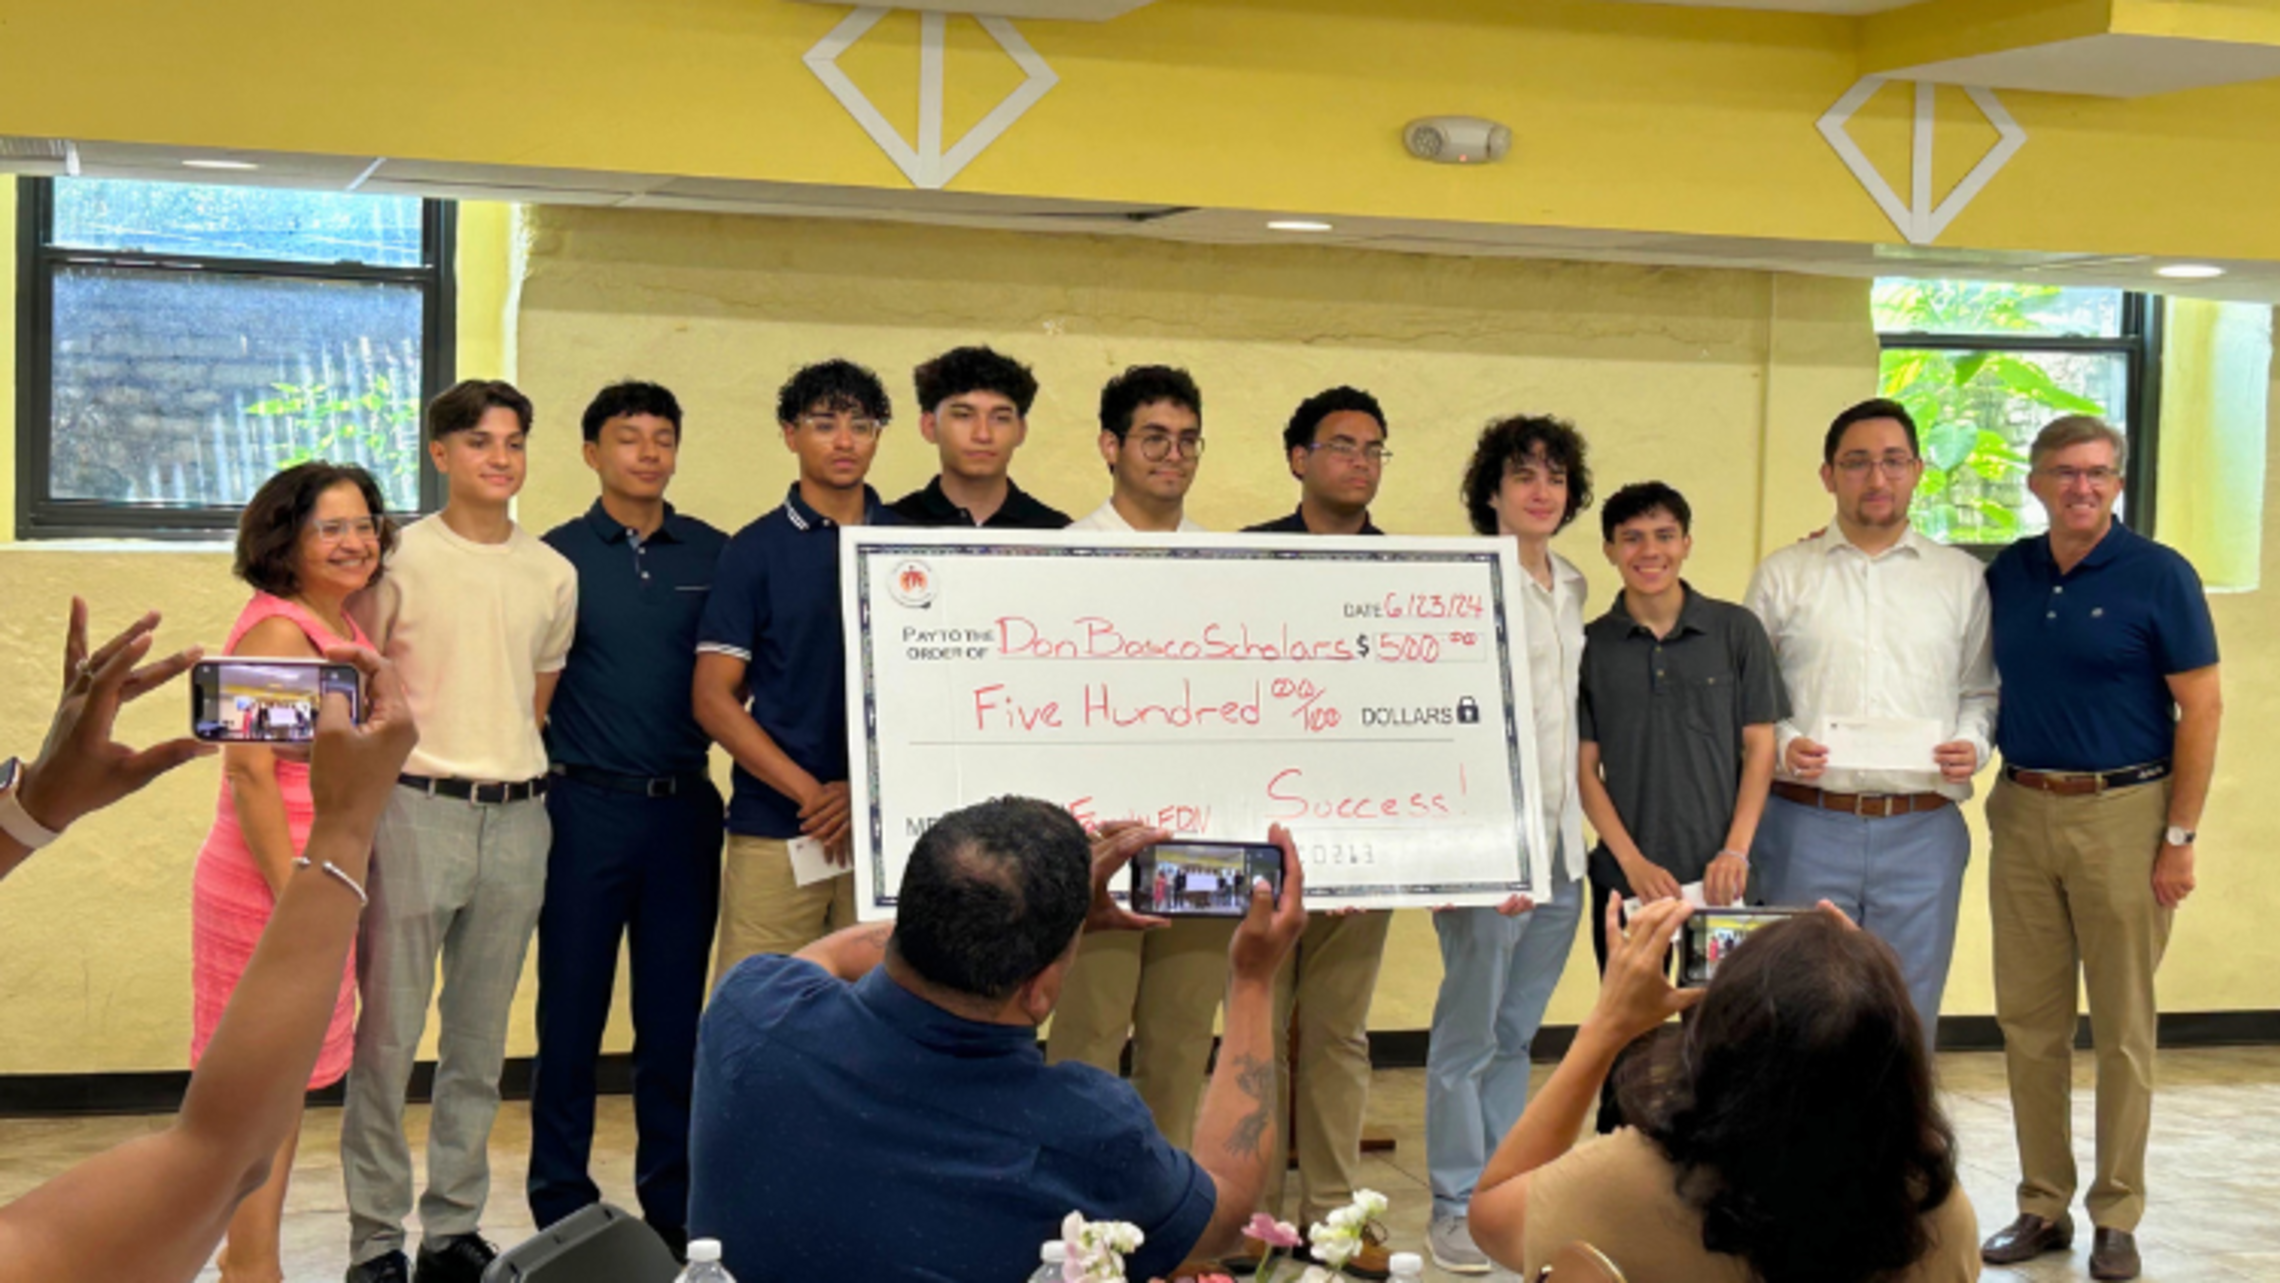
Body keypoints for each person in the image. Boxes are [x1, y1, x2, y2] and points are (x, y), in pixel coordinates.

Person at [686, 800, 1309, 1283]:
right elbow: (1225, 1212)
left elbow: (831, 953)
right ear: (1038, 992)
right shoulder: (1085, 1129)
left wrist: (1041, 930)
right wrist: (1252, 982)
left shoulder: (751, 1009)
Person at [0, 602, 418, 1283]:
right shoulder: (275, 625)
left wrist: (32, 810)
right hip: (285, 880)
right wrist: (346, 826)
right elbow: (222, 1157)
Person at [344, 380, 579, 1283]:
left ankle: (452, 1228)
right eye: (480, 441)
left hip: (521, 817)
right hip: (415, 809)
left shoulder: (551, 571)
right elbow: (361, 688)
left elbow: (535, 700)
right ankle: (374, 1238)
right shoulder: (398, 559)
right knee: (389, 1037)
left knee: (479, 1043)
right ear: (440, 453)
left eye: (515, 441)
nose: (501, 458)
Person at [1977, 416, 2221, 1282]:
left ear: (2118, 484)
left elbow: (2204, 708)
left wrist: (2179, 838)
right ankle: (2041, 1202)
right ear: (2036, 481)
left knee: (2122, 1027)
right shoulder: (2009, 571)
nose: (2083, 487)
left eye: (2100, 474)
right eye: (2066, 473)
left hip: (2128, 813)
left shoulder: (2160, 576)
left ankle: (2117, 1214)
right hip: (2022, 807)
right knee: (2029, 1023)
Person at [1465, 899, 1981, 1282]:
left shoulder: (1612, 1184)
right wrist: (1854, 987)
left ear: (1716, 1044)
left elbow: (1490, 1213)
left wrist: (1606, 1027)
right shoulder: (1938, 1218)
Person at [527, 382, 730, 1257]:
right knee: (569, 1012)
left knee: (673, 1020)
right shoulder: (552, 559)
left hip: (684, 810)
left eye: (662, 438)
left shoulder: (719, 555)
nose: (647, 453)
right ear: (591, 452)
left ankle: (675, 1200)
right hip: (581, 807)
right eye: (627, 438)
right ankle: (560, 1196)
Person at [1743, 398, 1997, 1050]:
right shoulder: (1782, 575)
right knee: (1796, 1016)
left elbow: (1980, 690)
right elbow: (1750, 699)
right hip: (1802, 827)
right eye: (1857, 462)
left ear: (1917, 470)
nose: (1876, 478)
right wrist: (1787, 739)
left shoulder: (1962, 579)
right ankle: (1795, 1154)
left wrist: (1972, 743)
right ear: (1828, 475)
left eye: (1891, 461)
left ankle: (1895, 1155)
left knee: (1906, 1018)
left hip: (1922, 831)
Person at [195, 462, 394, 1283]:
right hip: (269, 887)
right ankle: (253, 1270)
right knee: (256, 1099)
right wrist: (296, 900)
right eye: (331, 528)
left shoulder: (332, 619)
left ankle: (254, 1263)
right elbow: (248, 775)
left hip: (317, 881)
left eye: (364, 524)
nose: (355, 542)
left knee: (277, 1097)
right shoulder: (279, 631)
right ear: (288, 539)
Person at [1218, 387, 1396, 1277]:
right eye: (1340, 446)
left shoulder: (1407, 576)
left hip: (1365, 849)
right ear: (1298, 457)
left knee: (1338, 1035)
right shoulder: (1245, 558)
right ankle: (1247, 1215)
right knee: (1254, 1023)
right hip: (1259, 847)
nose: (1358, 462)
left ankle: (1333, 1217)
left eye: (1373, 449)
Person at [1422, 415, 1594, 1276]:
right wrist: (1476, 851)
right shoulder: (1460, 580)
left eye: (1555, 476)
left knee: (1518, 1033)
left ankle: (1504, 1191)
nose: (1540, 489)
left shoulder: (1574, 584)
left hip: (1564, 848)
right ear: (1490, 489)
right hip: (1490, 849)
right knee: (1467, 1036)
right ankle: (1453, 1201)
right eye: (1522, 473)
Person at [1050, 365, 1229, 1151]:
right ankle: (1071, 1225)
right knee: (1087, 1035)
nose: (1174, 454)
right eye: (1154, 437)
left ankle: (1166, 1219)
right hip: (1098, 836)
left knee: (1183, 1040)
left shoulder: (1229, 570)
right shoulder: (1061, 559)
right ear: (1110, 446)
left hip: (1201, 841)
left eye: (1188, 440)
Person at [694, 359, 903, 978]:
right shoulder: (753, 549)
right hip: (780, 826)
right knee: (758, 1011)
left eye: (861, 425)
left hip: (885, 833)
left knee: (880, 1020)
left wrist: (860, 793)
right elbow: (712, 699)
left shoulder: (910, 543)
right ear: (791, 434)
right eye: (824, 424)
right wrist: (812, 793)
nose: (844, 441)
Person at [890, 345, 1071, 528]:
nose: (983, 435)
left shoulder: (1055, 531)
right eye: (963, 415)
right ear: (929, 426)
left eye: (1001, 418)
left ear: (1021, 431)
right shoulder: (889, 527)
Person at [1242, 385, 1389, 536]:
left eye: (1373, 452)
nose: (1362, 463)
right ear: (1300, 460)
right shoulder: (1253, 550)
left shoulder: (1399, 556)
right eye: (1342, 448)